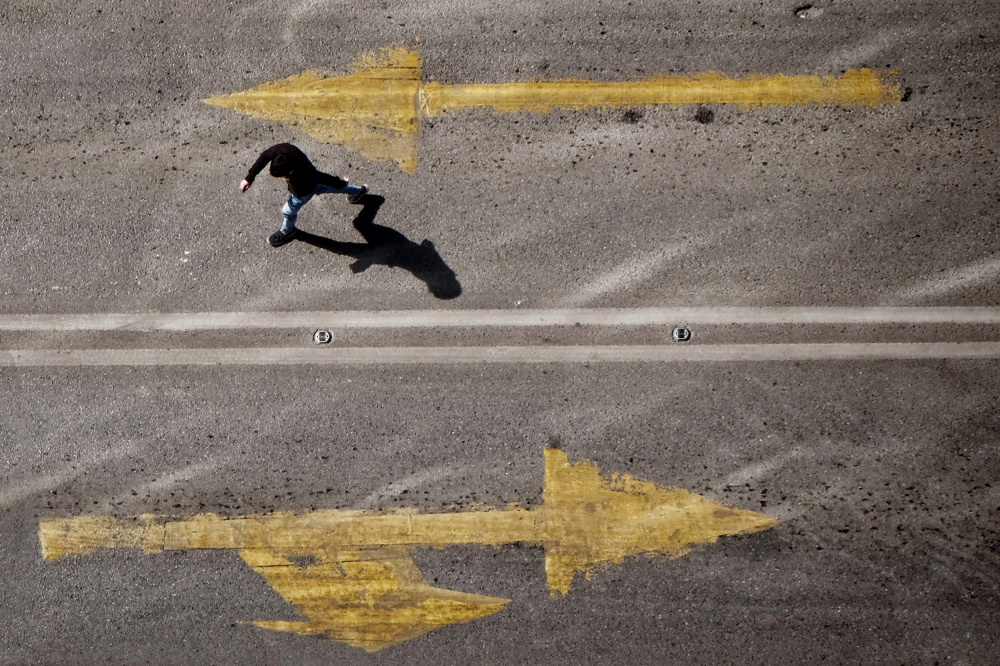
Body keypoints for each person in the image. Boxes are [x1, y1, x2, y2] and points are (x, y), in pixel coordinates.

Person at [239, 143, 369, 247]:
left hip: (304, 191)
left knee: (288, 211)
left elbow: (321, 176)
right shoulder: (283, 150)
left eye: (284, 176)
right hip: (312, 183)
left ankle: (287, 231)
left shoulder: (304, 172)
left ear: (290, 172)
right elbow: (265, 156)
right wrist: (249, 178)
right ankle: (357, 191)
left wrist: (340, 183)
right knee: (324, 187)